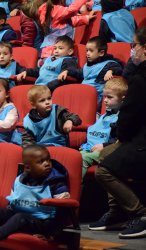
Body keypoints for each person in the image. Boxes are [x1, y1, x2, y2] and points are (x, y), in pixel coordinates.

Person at [89, 27, 146, 239]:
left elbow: (129, 117)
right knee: (105, 154)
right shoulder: (139, 75)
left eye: (135, 46)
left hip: (140, 140)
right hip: (138, 137)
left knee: (103, 170)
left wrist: (121, 135)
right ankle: (117, 212)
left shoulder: (141, 80)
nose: (132, 51)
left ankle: (141, 214)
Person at [80, 78, 128, 179]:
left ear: (123, 99)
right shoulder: (104, 115)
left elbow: (120, 141)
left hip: (107, 153)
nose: (105, 100)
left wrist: (104, 145)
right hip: (90, 149)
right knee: (73, 157)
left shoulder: (123, 118)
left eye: (109, 97)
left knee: (82, 158)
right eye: (105, 96)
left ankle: (76, 190)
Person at [59, 36, 123, 107]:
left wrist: (111, 71)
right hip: (83, 93)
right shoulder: (87, 65)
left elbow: (119, 68)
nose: (87, 53)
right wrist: (67, 71)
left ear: (101, 53)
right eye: (87, 50)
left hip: (95, 98)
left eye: (91, 51)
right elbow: (81, 72)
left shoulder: (108, 64)